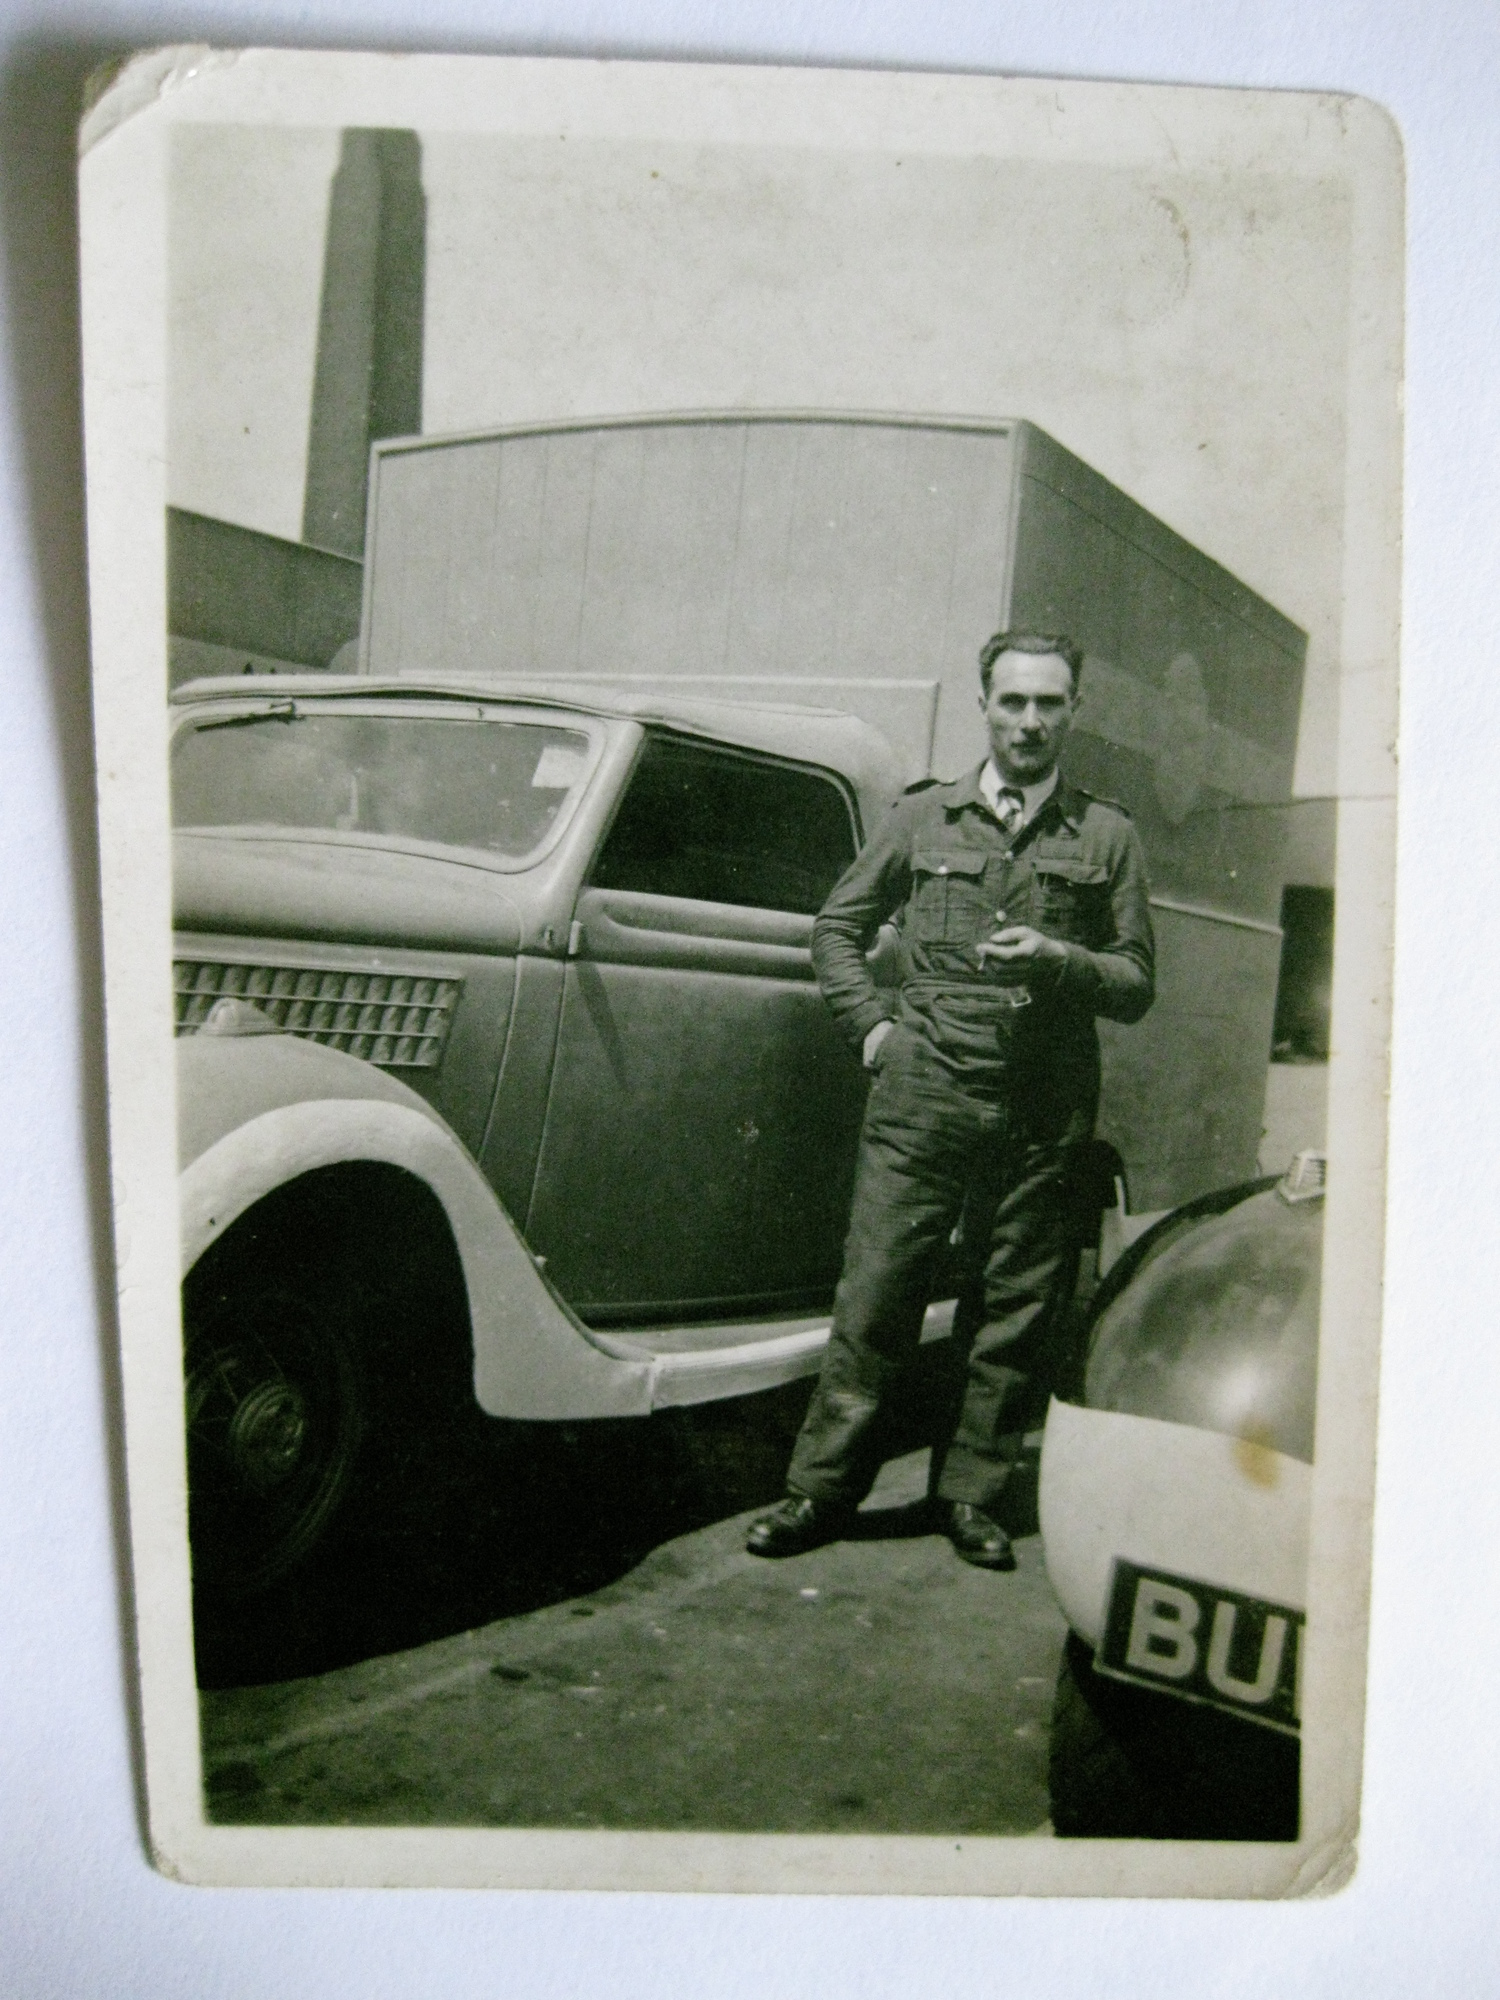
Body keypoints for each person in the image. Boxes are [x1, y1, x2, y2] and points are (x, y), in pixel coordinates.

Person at [746, 630, 1155, 1569]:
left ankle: (970, 1493)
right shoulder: (924, 817)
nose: (1030, 722)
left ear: (1074, 710)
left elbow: (1136, 982)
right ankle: (821, 1493)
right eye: (1013, 701)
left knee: (1014, 1304)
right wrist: (873, 1030)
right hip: (923, 1091)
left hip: (1046, 1104)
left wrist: (1058, 958)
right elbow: (836, 928)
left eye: (1049, 703)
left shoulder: (1107, 835)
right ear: (985, 706)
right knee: (878, 1291)